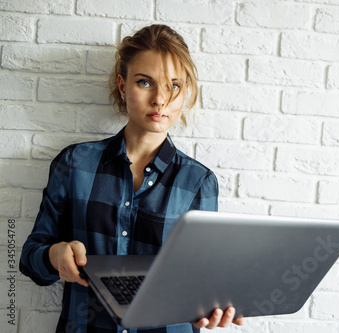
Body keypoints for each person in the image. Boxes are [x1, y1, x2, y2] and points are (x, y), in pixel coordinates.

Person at [20, 24, 244, 333]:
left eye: (174, 86)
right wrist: (54, 255)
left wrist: (212, 304)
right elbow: (31, 259)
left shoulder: (199, 181)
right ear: (123, 86)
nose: (160, 99)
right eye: (145, 82)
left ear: (186, 92)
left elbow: (201, 278)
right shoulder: (74, 164)